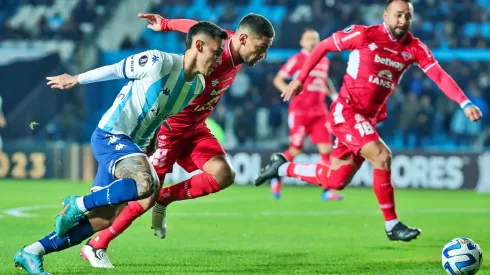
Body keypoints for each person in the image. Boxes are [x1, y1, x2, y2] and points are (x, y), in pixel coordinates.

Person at [255, 0, 482, 242]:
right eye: (398, 15)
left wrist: (464, 102)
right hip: (347, 111)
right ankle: (392, 225)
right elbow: (322, 46)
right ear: (385, 16)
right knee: (382, 156)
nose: (402, 21)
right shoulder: (364, 34)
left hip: (367, 119)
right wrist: (300, 79)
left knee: (336, 180)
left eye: (407, 17)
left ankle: (280, 167)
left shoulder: (414, 47)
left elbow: (439, 75)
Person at [13, 21, 228, 274]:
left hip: (132, 146)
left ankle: (32, 251)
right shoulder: (159, 61)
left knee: (102, 220)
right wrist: (76, 79)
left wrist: (149, 145)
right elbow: (115, 69)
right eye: (216, 52)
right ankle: (78, 203)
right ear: (199, 45)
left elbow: (159, 116)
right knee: (147, 185)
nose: (219, 58)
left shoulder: (197, 86)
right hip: (111, 134)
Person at [81, 13, 275, 268]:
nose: (263, 55)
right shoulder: (215, 55)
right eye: (261, 48)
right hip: (170, 129)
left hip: (195, 129)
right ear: (242, 38)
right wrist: (166, 27)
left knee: (224, 174)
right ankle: (96, 244)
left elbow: (195, 27)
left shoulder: (228, 42)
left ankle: (165, 198)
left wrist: (166, 24)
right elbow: (197, 36)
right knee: (145, 195)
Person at [270, 27, 342, 201]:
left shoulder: (324, 60)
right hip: (300, 111)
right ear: (302, 42)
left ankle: (327, 190)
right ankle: (276, 173)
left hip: (319, 111)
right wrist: (287, 91)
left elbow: (325, 80)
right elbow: (278, 79)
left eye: (315, 38)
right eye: (309, 38)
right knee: (296, 149)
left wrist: (333, 95)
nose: (312, 41)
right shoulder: (297, 59)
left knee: (326, 150)